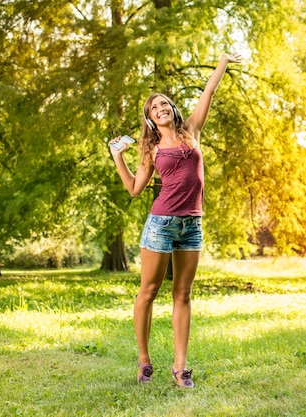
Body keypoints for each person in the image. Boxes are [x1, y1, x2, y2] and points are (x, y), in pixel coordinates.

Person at [109, 52, 242, 388]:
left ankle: (180, 368)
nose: (161, 108)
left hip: (192, 225)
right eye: (154, 108)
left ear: (172, 109)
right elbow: (136, 189)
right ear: (151, 119)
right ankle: (144, 362)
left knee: (182, 294)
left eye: (164, 103)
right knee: (148, 291)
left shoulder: (191, 131)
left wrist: (223, 62)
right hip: (161, 224)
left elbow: (208, 92)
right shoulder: (150, 149)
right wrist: (117, 158)